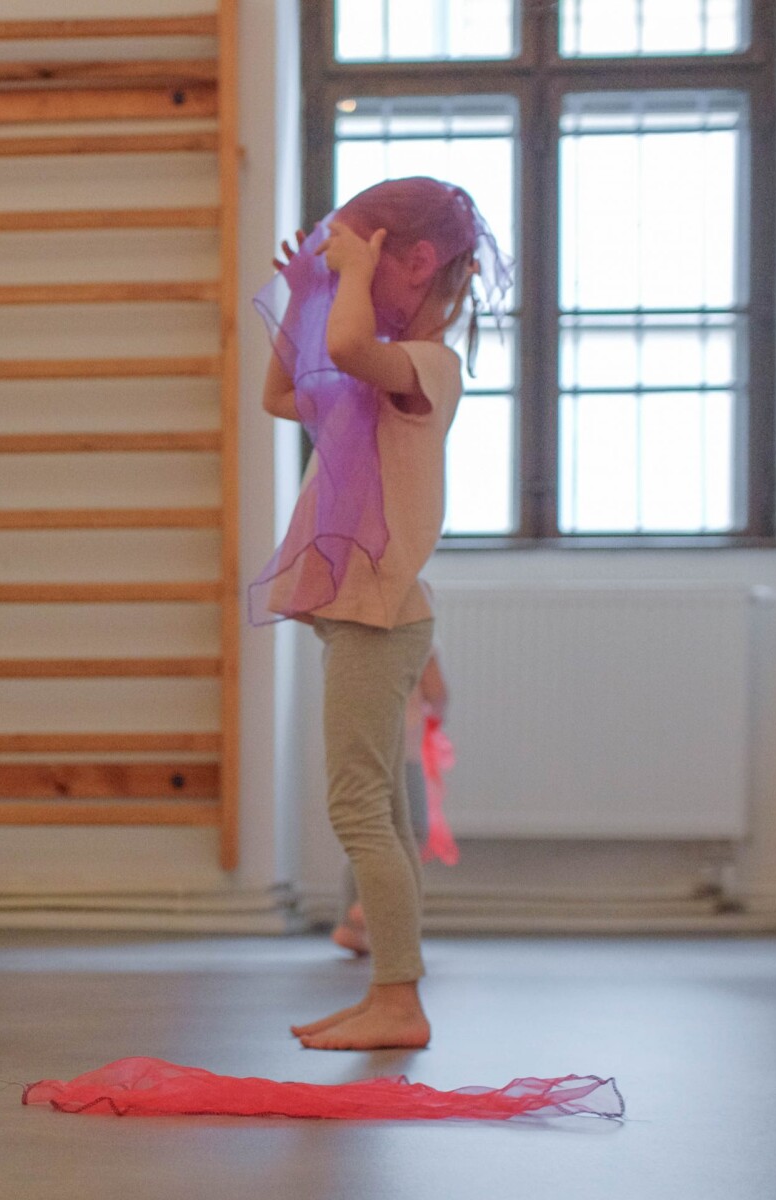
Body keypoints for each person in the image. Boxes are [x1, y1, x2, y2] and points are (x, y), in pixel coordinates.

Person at [253, 178, 510, 1051]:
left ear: (418, 262)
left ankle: (399, 1000)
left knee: (358, 807)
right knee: (384, 816)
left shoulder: (427, 367)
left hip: (380, 617)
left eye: (362, 265)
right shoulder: (377, 369)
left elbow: (349, 344)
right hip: (366, 615)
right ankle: (392, 991)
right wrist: (305, 296)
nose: (346, 286)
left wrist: (349, 280)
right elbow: (281, 394)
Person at [332, 645, 448, 954]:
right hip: (401, 747)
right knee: (412, 830)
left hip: (359, 744)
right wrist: (438, 713)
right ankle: (365, 906)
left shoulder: (356, 636)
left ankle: (350, 923)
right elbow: (436, 692)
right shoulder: (419, 636)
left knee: (365, 831)